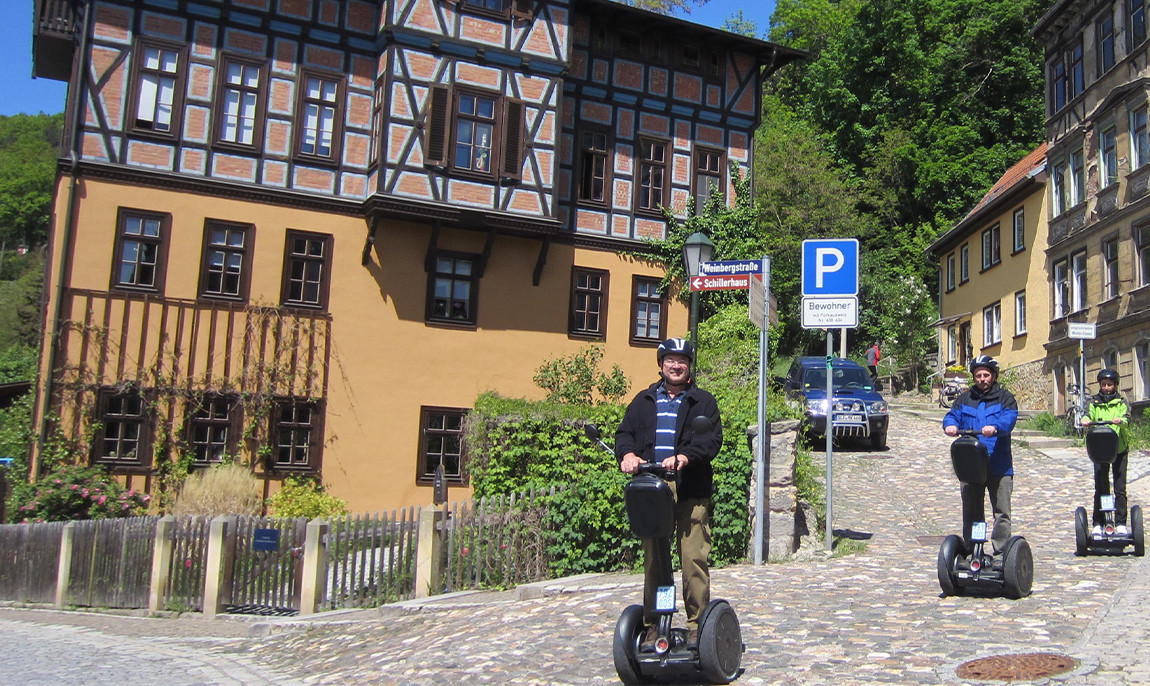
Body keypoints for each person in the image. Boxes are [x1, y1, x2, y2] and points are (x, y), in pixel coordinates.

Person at [615, 337, 722, 648]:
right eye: (670, 360)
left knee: (692, 558)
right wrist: (627, 455)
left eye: (682, 361)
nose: (675, 365)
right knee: (655, 560)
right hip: (653, 488)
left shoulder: (703, 402)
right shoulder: (643, 401)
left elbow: (712, 440)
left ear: (689, 366)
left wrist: (685, 456)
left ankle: (696, 625)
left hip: (690, 488)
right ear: (661, 365)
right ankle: (654, 624)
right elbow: (625, 434)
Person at [943, 355, 1019, 554]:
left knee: (1001, 512)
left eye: (986, 375)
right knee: (972, 512)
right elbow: (953, 415)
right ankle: (973, 549)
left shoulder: (1005, 398)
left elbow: (1009, 419)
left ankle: (1001, 552)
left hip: (998, 464)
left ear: (993, 376)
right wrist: (950, 425)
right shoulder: (965, 398)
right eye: (978, 375)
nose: (982, 379)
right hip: (972, 466)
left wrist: (995, 427)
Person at [1080, 369, 1132, 537]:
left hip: (1119, 448)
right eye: (1104, 385)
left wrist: (1121, 420)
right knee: (1101, 487)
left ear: (1115, 385)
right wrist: (1086, 420)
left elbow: (1128, 418)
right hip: (1100, 449)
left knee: (1120, 488)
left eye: (1110, 385)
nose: (1107, 388)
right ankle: (1099, 522)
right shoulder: (1093, 402)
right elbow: (1087, 415)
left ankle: (1121, 523)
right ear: (1100, 385)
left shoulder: (1122, 402)